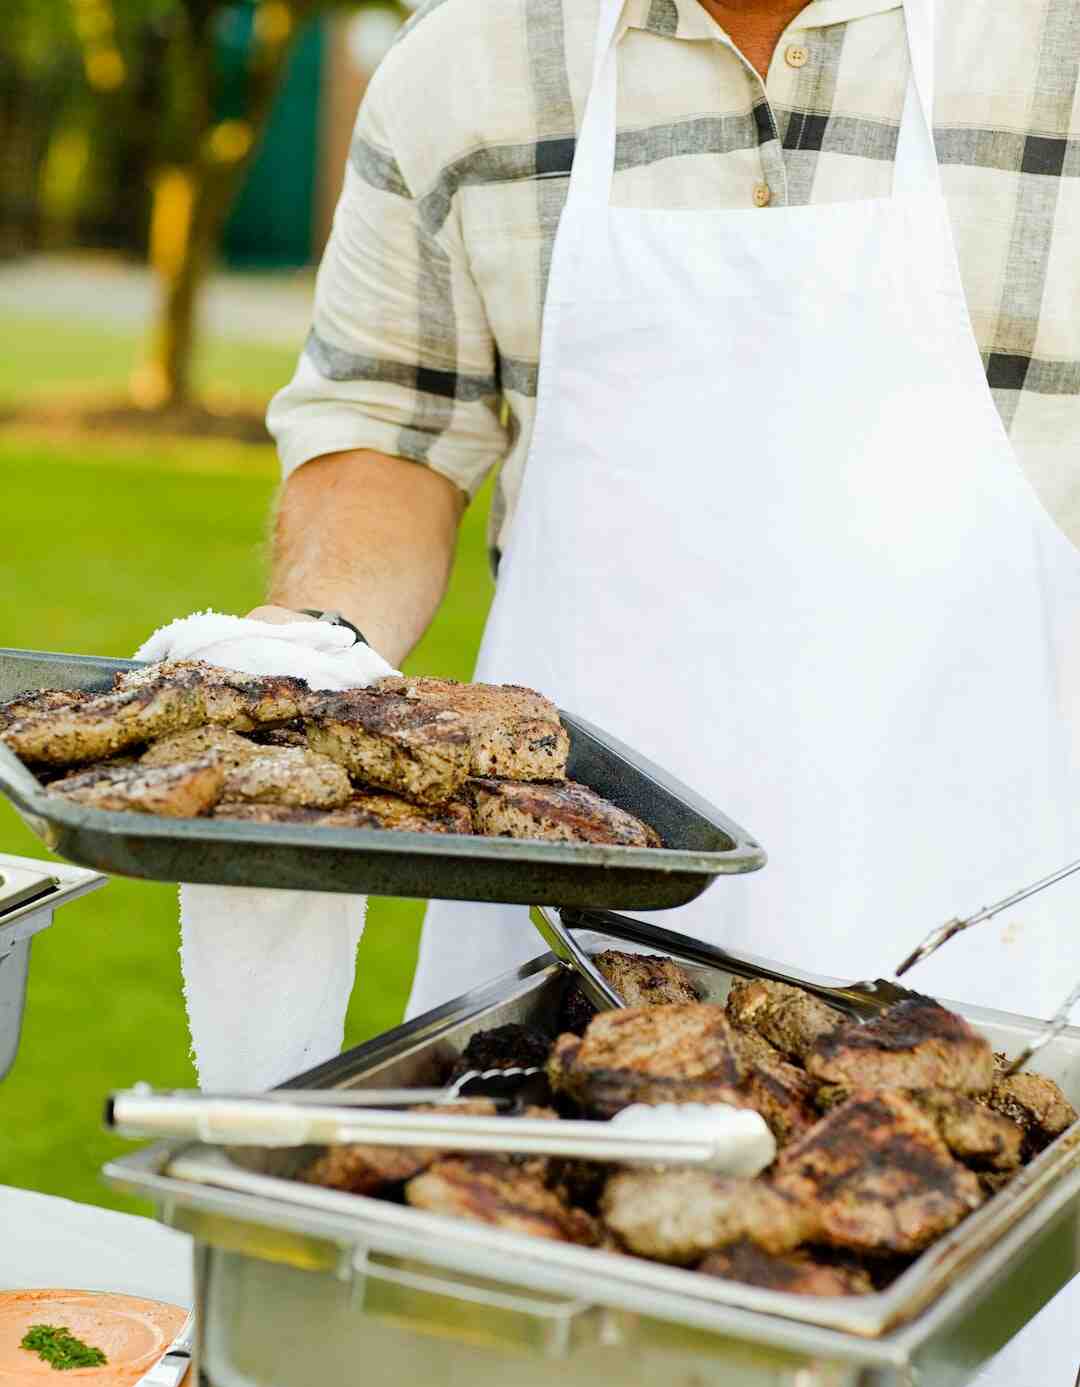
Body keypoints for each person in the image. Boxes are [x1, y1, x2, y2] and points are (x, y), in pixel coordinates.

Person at [260, 0, 1080, 1020]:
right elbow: (391, 424)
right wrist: (310, 647)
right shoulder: (467, 58)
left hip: (1004, 942)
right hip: (572, 952)